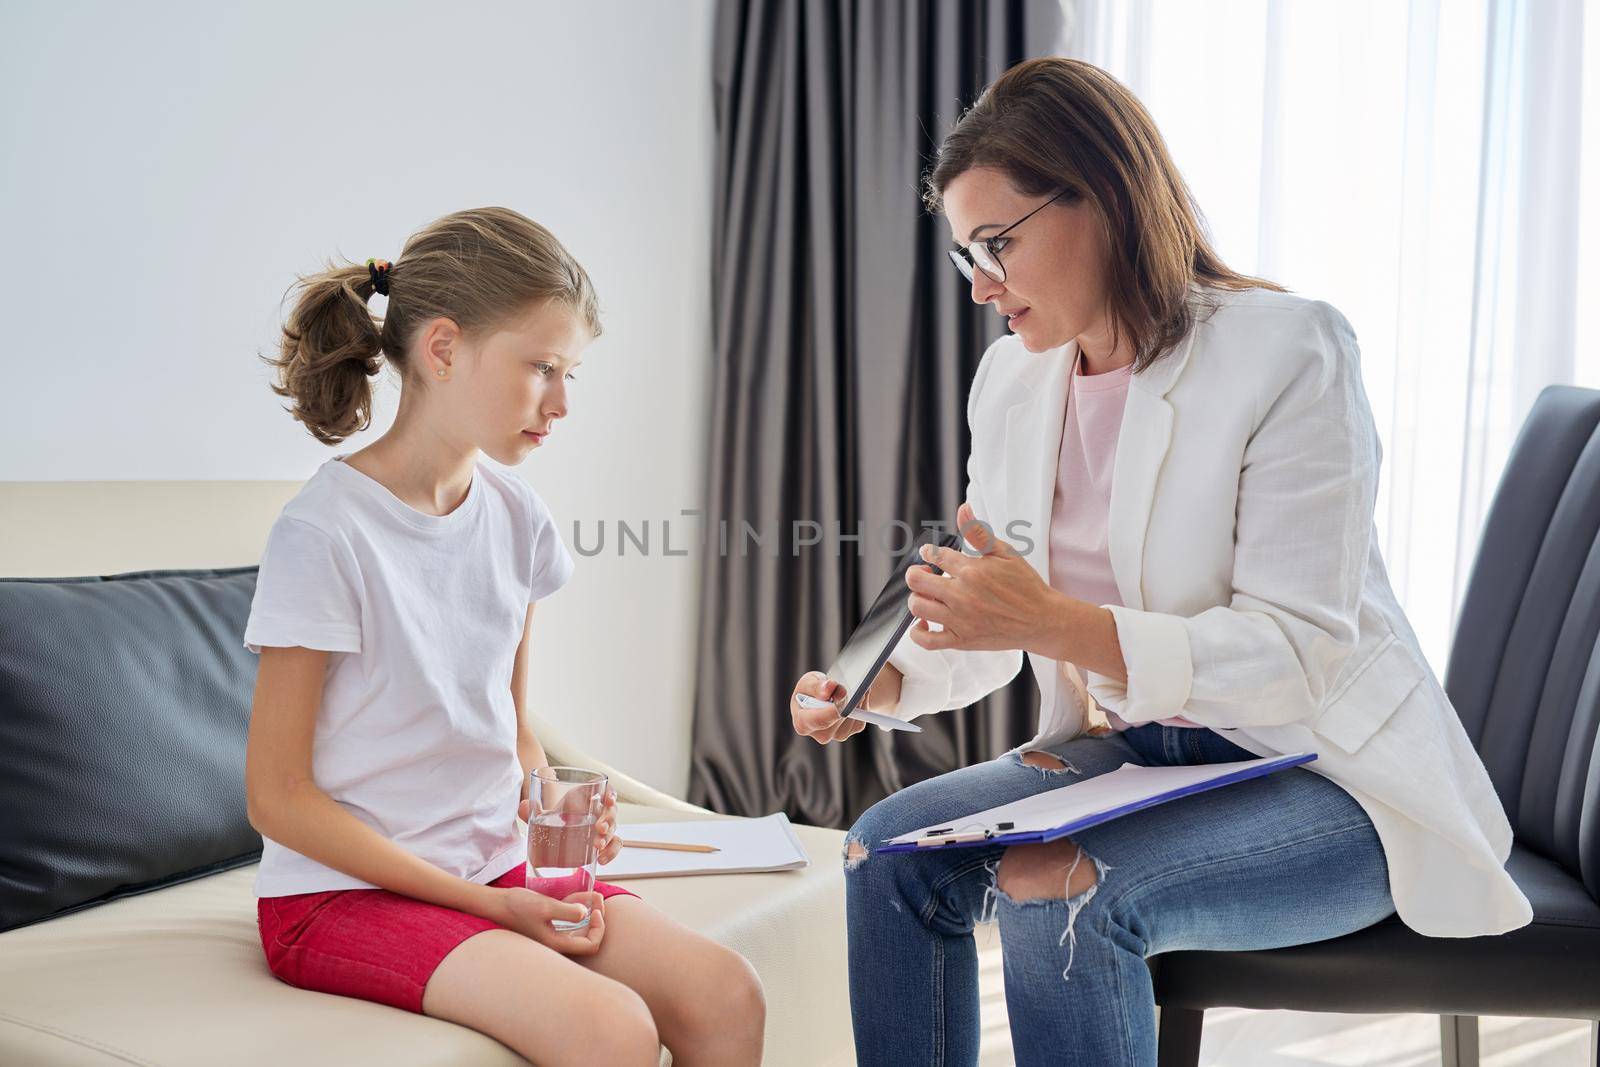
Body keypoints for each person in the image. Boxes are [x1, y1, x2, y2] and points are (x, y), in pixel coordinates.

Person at [788, 58, 1530, 1066]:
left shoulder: (1289, 352)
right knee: (887, 849)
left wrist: (1053, 622)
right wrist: (881, 680)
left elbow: (1296, 650)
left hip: (1329, 776)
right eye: (967, 253)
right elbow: (997, 623)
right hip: (1142, 757)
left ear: (1103, 197)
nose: (979, 286)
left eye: (997, 244)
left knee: (1060, 890)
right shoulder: (1012, 377)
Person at [245, 207, 764, 1066]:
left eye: (573, 374)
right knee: (612, 1028)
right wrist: (485, 904)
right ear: (443, 349)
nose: (562, 402)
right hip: (339, 895)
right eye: (542, 368)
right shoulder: (326, 532)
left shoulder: (519, 517)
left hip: (488, 867)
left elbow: (512, 728)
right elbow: (279, 796)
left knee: (725, 990)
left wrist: (552, 802)